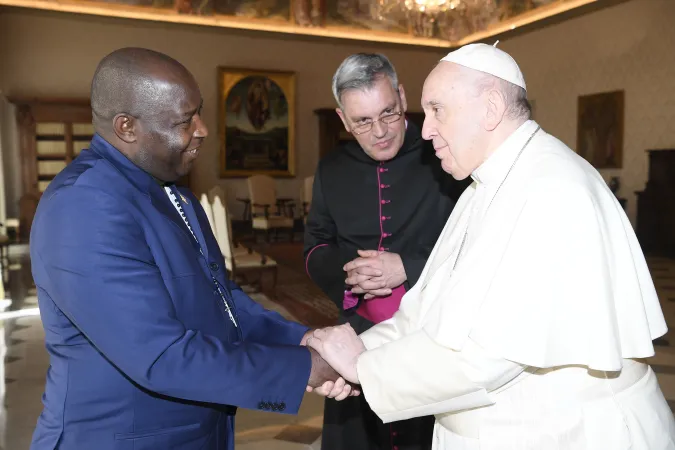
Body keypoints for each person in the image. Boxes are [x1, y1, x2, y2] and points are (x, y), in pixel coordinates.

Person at [306, 43, 675, 449]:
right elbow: (426, 310)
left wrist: (362, 365)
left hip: (571, 433)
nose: (425, 129)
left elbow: (486, 356)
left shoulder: (552, 188)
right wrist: (356, 350)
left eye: (437, 110)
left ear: (491, 106)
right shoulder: (484, 187)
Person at [29, 47, 354, 450]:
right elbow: (160, 355)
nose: (201, 129)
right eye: (185, 121)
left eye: (197, 113)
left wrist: (306, 340)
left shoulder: (171, 193)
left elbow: (224, 303)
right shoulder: (84, 205)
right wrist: (306, 368)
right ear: (127, 127)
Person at [304, 53, 467, 450]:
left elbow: (480, 240)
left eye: (389, 113)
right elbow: (315, 245)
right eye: (362, 121)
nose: (379, 131)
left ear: (402, 96)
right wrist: (352, 274)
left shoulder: (446, 153)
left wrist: (407, 267)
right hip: (359, 337)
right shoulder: (332, 168)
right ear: (343, 119)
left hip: (433, 336)